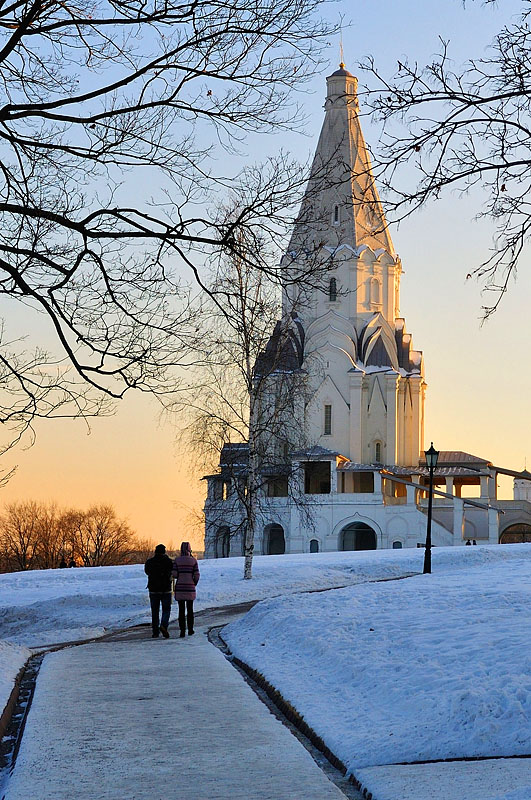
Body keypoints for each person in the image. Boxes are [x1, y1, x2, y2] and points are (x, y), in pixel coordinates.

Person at [144, 544, 173, 638]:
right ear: (164, 552)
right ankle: (163, 625)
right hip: (166, 589)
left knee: (155, 611)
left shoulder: (150, 562)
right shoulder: (169, 562)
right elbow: (172, 571)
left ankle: (155, 631)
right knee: (166, 609)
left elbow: (147, 572)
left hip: (153, 589)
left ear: (155, 551)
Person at [172, 542, 200, 638]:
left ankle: (182, 630)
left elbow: (174, 574)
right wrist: (193, 583)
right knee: (190, 609)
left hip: (180, 587)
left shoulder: (177, 560)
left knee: (181, 610)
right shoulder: (193, 561)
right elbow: (197, 575)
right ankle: (191, 629)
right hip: (190, 587)